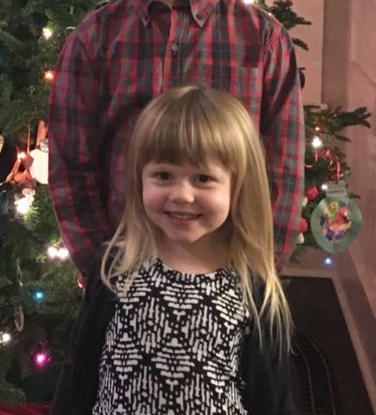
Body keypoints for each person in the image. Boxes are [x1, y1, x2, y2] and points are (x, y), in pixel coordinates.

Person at [48, 0, 304, 278]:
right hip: (123, 283)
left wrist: (255, 275)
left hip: (233, 283)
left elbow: (281, 176)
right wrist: (106, 274)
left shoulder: (263, 41)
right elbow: (72, 170)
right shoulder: (92, 41)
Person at [50, 86, 296, 415]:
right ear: (140, 179)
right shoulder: (114, 269)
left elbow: (275, 398)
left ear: (237, 186)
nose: (181, 195)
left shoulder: (254, 288)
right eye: (164, 175)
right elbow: (78, 372)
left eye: (203, 178)